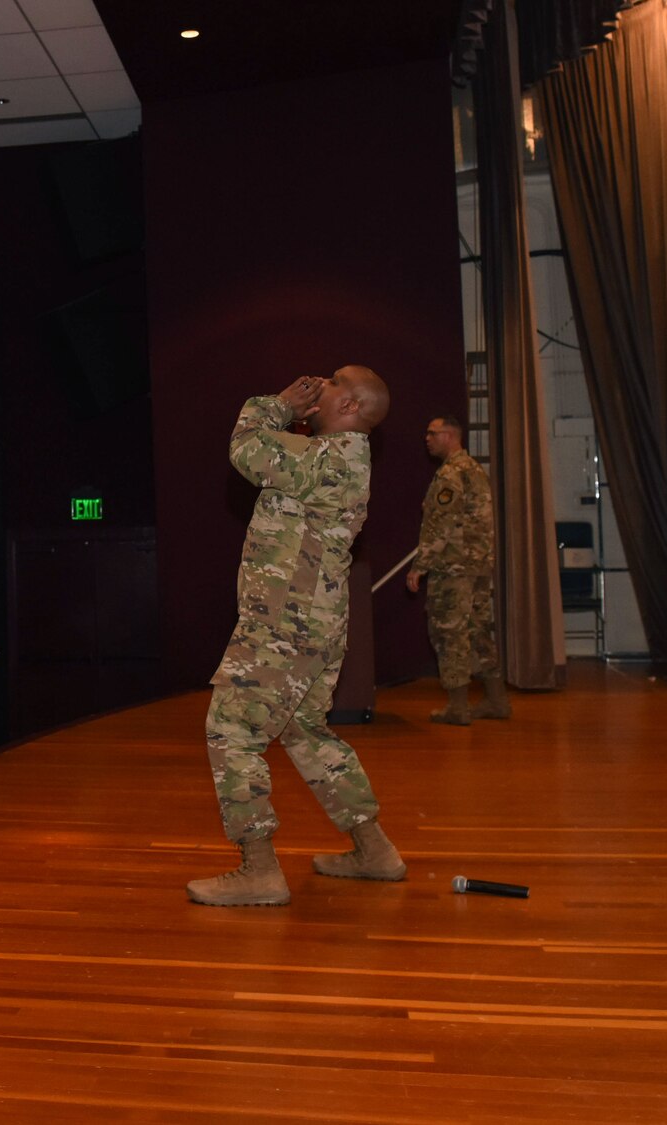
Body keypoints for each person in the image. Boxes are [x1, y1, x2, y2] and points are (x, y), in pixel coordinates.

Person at [188, 367, 406, 907]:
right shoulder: (333, 456)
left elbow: (246, 450)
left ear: (351, 406)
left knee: (231, 728)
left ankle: (258, 869)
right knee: (306, 732)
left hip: (285, 624)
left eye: (333, 382)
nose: (319, 384)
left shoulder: (329, 460)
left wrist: (276, 404)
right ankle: (374, 850)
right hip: (312, 620)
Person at [408, 414, 509, 725]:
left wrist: (419, 566)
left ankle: (457, 707)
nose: (427, 438)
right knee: (479, 630)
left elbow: (440, 524)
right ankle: (496, 701)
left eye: (432, 433)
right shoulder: (475, 469)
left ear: (450, 437)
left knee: (449, 631)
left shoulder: (450, 473)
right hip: (478, 565)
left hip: (454, 567)